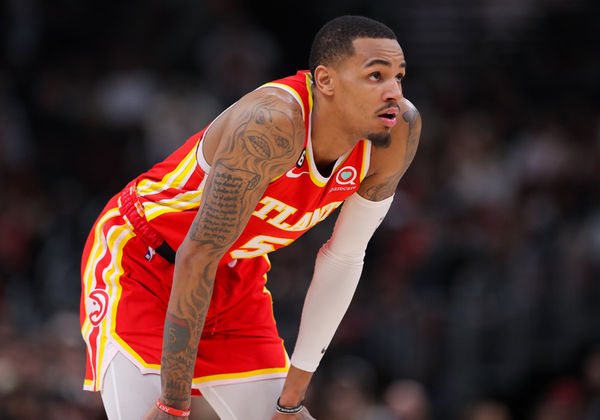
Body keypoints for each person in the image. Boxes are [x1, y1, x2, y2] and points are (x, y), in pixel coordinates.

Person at [80, 15, 421, 420]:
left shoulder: (397, 132)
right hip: (145, 262)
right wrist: (173, 405)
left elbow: (343, 258)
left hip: (234, 276)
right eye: (376, 76)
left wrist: (290, 400)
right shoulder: (270, 125)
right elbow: (197, 255)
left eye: (399, 77)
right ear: (326, 81)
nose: (393, 93)